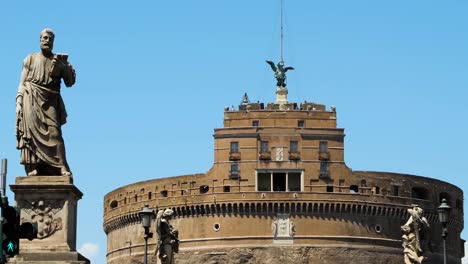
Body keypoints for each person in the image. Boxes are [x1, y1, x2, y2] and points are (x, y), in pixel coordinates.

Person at [16, 28, 76, 176]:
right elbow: (22, 83)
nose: (47, 41)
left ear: (53, 42)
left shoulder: (58, 60)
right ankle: (33, 166)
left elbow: (70, 82)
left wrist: (64, 67)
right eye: (45, 38)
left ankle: (61, 166)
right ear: (40, 40)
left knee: (55, 134)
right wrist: (19, 102)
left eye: (50, 39)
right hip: (31, 98)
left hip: (50, 101)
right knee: (30, 133)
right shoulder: (30, 59)